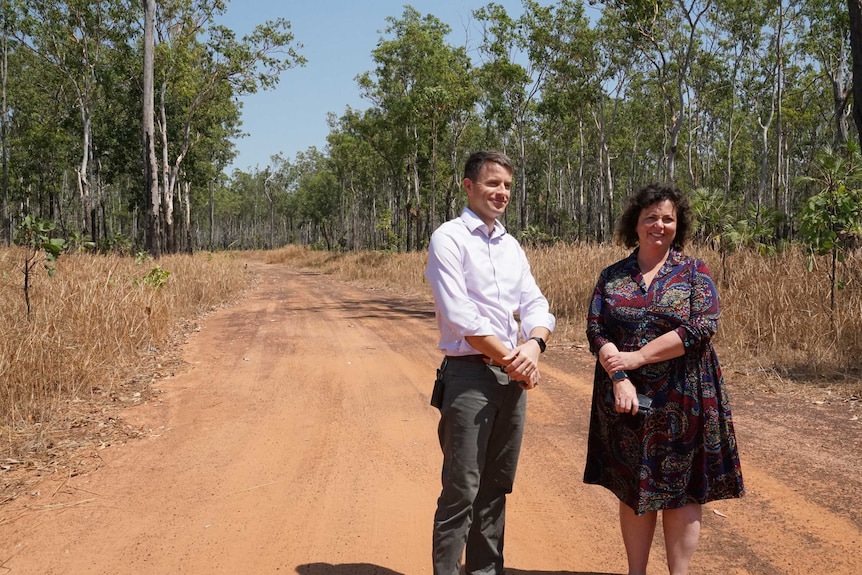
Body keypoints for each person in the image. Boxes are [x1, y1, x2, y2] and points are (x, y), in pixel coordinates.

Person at [583, 183, 744, 575]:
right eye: (651, 217)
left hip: (685, 396)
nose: (659, 225)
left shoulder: (693, 271)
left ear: (678, 224)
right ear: (635, 225)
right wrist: (620, 375)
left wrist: (637, 357)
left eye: (667, 218)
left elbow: (702, 326)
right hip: (626, 399)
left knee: (684, 490)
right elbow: (596, 330)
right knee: (633, 486)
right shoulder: (613, 276)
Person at [425, 150, 555, 575]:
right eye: (492, 183)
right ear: (468, 186)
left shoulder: (510, 245)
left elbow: (535, 302)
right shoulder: (449, 238)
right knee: (461, 489)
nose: (501, 193)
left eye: (507, 187)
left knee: (496, 487)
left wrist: (533, 346)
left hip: (512, 378)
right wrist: (515, 360)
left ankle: (484, 571)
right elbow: (462, 317)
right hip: (469, 377)